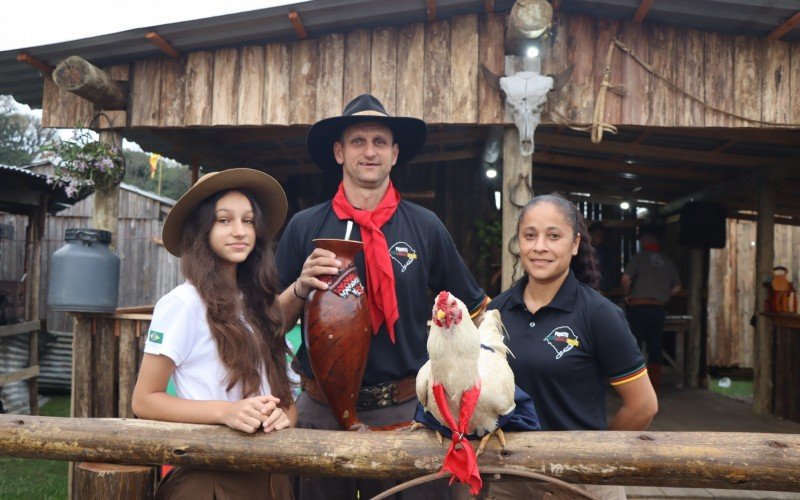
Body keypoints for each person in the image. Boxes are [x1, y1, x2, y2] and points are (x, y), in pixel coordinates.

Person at [274, 94, 489, 500]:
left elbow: (476, 310)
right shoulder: (305, 227)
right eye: (357, 141)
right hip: (320, 413)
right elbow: (269, 322)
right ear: (339, 152)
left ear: (394, 153)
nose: (368, 151)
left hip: (406, 412)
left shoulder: (425, 227)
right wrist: (301, 288)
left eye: (379, 141)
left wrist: (461, 385)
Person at [132, 168, 296, 500]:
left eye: (248, 221)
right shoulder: (182, 303)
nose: (240, 231)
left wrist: (283, 417)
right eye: (224, 220)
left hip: (271, 479)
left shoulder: (259, 305)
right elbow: (144, 400)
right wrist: (226, 412)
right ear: (201, 230)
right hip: (209, 478)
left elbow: (289, 402)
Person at [480, 194, 657, 499]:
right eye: (530, 235)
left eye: (554, 236)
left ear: (574, 244)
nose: (539, 247)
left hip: (580, 482)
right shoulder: (497, 311)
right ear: (519, 242)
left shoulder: (599, 314)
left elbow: (643, 405)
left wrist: (594, 458)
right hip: (512, 480)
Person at [621, 229, 681, 393]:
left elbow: (625, 278)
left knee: (634, 347)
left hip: (639, 308)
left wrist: (627, 295)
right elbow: (677, 287)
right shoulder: (668, 261)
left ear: (643, 243)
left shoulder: (639, 258)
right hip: (658, 309)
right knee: (655, 347)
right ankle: (653, 388)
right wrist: (663, 295)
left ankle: (633, 389)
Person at [589, 221, 618, 294]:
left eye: (601, 236)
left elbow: (609, 272)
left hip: (600, 288)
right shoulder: (580, 249)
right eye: (597, 234)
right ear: (590, 234)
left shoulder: (605, 252)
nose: (599, 238)